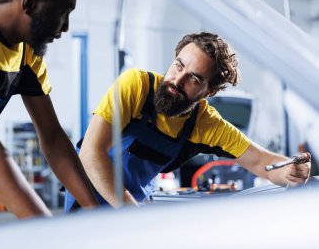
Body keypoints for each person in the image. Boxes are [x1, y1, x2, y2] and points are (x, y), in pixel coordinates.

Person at [65, 32, 311, 210]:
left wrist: (292, 170)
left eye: (193, 78)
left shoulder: (205, 124)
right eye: (178, 66)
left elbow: (262, 162)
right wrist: (130, 213)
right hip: (87, 196)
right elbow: (90, 153)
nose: (177, 81)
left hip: (133, 203)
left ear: (208, 92)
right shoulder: (136, 86)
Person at [0, 0, 98, 239]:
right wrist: (46, 229)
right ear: (29, 2)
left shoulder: (27, 55)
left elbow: (54, 139)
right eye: (63, 12)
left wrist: (96, 212)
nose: (65, 27)